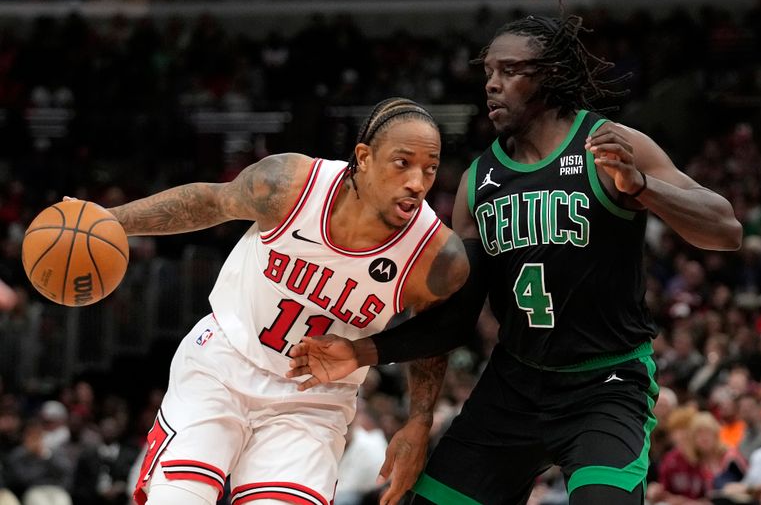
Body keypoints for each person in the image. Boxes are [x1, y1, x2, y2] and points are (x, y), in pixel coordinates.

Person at [286, 12, 743, 505]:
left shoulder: (608, 145)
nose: (493, 85)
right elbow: (454, 319)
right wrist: (365, 352)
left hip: (605, 384)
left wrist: (644, 187)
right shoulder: (478, 181)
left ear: (550, 75)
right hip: (515, 383)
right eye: (488, 73)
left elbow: (725, 229)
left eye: (509, 71)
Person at [77, 97, 469, 505]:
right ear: (364, 157)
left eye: (430, 167)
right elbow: (211, 202)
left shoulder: (436, 256)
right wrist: (111, 221)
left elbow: (432, 335)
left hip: (313, 399)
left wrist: (419, 422)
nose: (418, 182)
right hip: (223, 361)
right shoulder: (291, 184)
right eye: (402, 162)